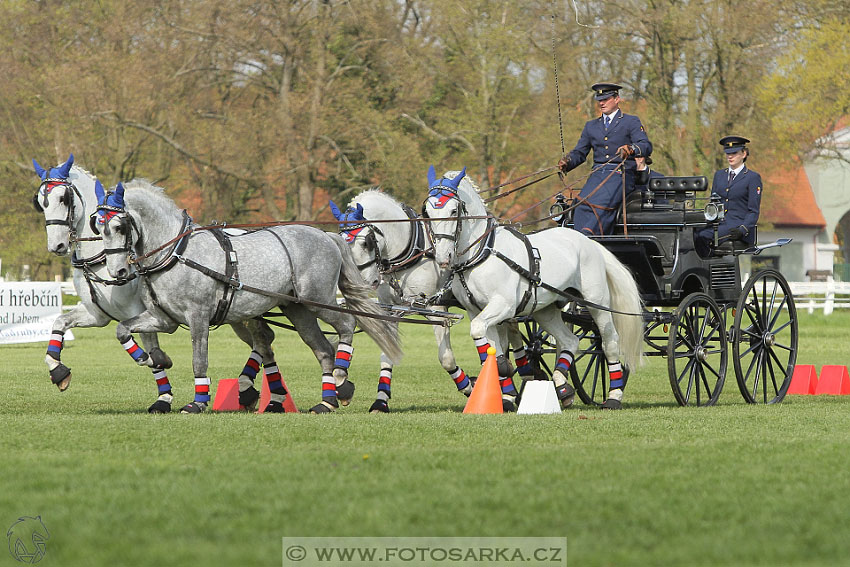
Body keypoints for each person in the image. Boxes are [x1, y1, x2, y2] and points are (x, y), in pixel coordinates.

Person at [558, 82, 653, 235]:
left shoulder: (630, 121)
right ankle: (578, 239)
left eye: (606, 99)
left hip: (621, 174)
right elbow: (580, 153)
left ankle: (590, 236)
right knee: (581, 204)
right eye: (599, 99)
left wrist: (631, 149)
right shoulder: (591, 126)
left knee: (601, 204)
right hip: (598, 174)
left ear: (617, 99)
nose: (601, 103)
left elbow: (646, 145)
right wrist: (567, 162)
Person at [695, 135, 762, 256]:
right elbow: (713, 203)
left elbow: (753, 211)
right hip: (718, 223)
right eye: (727, 153)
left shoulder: (752, 178)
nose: (730, 156)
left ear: (744, 154)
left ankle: (708, 268)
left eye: (734, 153)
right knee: (690, 234)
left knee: (703, 237)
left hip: (736, 225)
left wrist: (743, 229)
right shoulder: (719, 175)